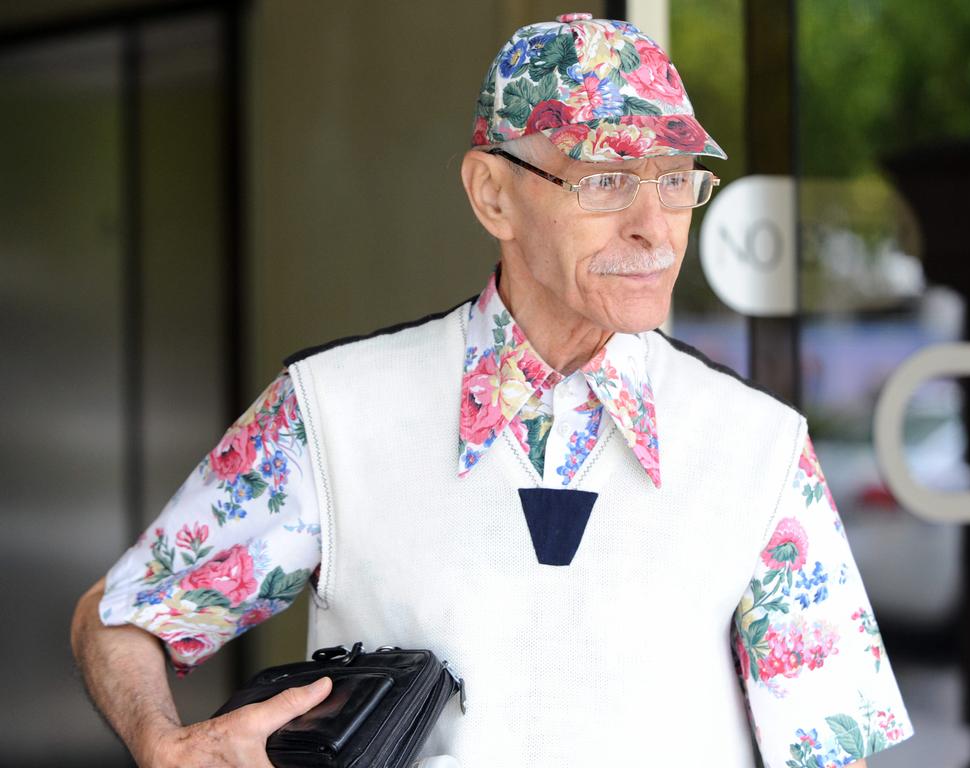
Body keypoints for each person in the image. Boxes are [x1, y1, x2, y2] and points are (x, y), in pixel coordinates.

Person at [71, 12, 913, 768]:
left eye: (676, 178)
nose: (655, 228)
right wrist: (164, 745)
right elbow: (118, 619)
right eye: (607, 180)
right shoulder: (331, 415)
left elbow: (830, 747)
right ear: (492, 195)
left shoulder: (758, 447)